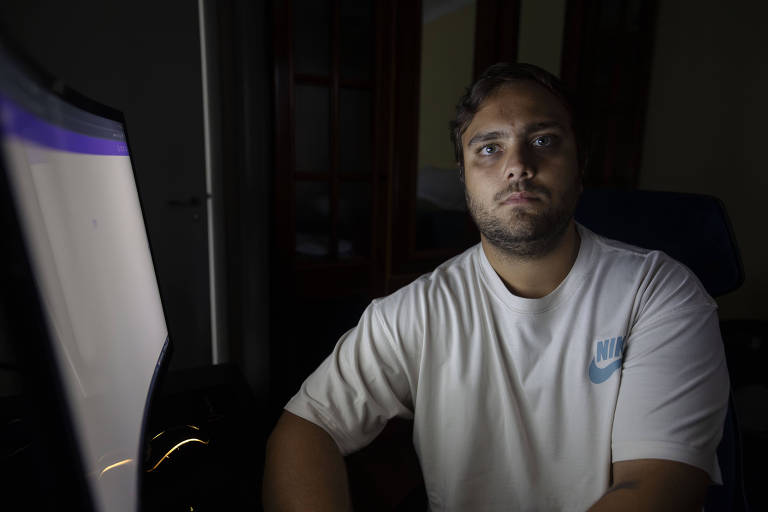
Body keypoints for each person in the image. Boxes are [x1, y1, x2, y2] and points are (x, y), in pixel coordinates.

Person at [262, 62, 729, 511]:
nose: (518, 166)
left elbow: (657, 483)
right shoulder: (415, 312)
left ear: (579, 165)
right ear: (464, 177)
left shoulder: (659, 293)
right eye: (489, 148)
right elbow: (307, 426)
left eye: (543, 140)